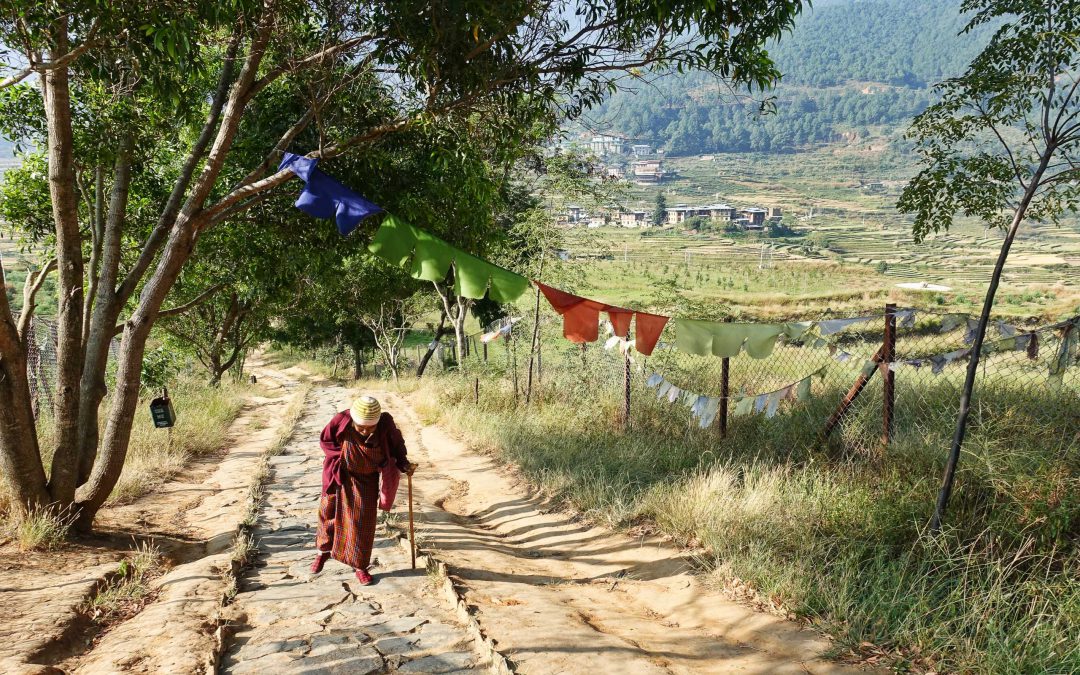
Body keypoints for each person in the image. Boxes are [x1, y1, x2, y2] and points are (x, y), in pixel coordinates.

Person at [312, 395, 415, 585]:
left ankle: (360, 566)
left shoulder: (385, 425)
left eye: (370, 427)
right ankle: (323, 552)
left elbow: (397, 446)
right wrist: (341, 456)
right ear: (353, 422)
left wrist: (404, 464)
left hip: (367, 480)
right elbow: (326, 441)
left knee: (363, 523)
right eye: (360, 428)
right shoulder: (341, 419)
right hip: (339, 476)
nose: (365, 430)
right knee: (328, 513)